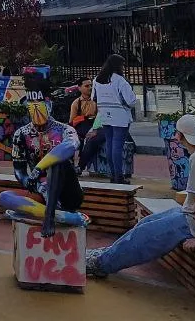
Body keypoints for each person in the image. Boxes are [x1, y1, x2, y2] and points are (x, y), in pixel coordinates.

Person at [86, 114, 195, 278]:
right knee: (146, 223)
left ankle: (101, 264)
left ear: (180, 136)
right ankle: (107, 254)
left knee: (145, 235)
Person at [8, 93, 84, 236]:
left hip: (67, 192)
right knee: (5, 197)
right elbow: (19, 170)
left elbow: (71, 145)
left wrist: (38, 168)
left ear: (48, 107)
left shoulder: (64, 129)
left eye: (40, 104)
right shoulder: (22, 134)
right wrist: (30, 182)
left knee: (56, 163)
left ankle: (49, 217)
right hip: (41, 190)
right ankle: (60, 216)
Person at [92, 54, 136, 184]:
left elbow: (94, 98)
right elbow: (131, 100)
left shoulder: (97, 80)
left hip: (105, 115)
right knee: (117, 147)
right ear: (118, 66)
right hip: (120, 116)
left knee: (110, 145)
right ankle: (119, 177)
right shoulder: (120, 80)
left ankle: (112, 174)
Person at [70, 79, 106, 175]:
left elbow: (101, 116)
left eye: (91, 86)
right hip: (82, 125)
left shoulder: (97, 100)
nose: (90, 88)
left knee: (92, 139)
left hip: (96, 124)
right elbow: (72, 121)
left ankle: (80, 166)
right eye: (87, 86)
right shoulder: (76, 103)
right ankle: (70, 166)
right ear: (79, 88)